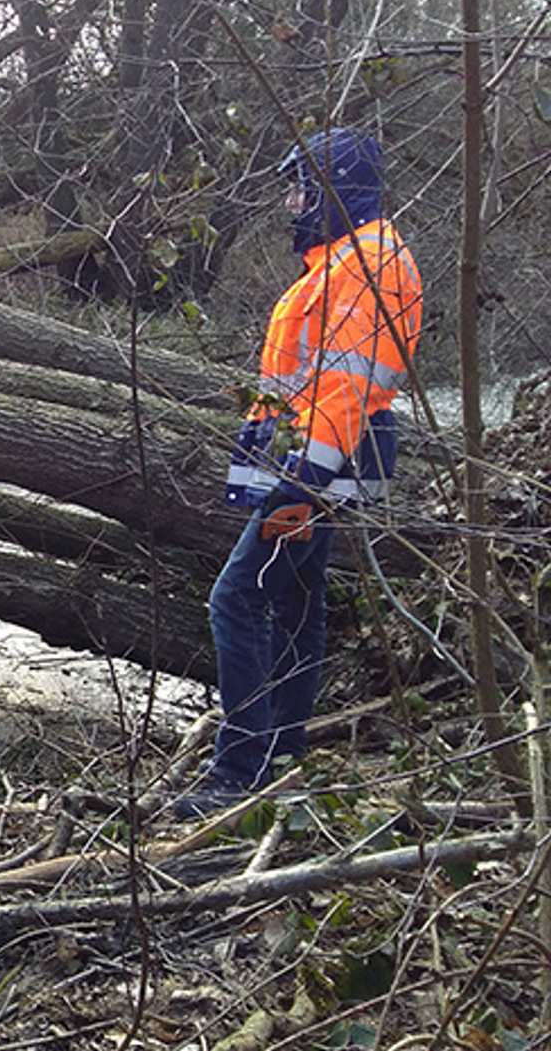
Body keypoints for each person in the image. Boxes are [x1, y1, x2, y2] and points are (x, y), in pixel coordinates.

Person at [172, 128, 423, 819]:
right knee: (295, 599)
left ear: (335, 188)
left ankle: (239, 769)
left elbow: (342, 388)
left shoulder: (367, 265)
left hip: (326, 464)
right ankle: (281, 751)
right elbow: (302, 382)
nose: (292, 201)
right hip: (319, 459)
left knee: (237, 598)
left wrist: (301, 480)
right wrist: (262, 459)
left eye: (301, 187)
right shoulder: (340, 262)